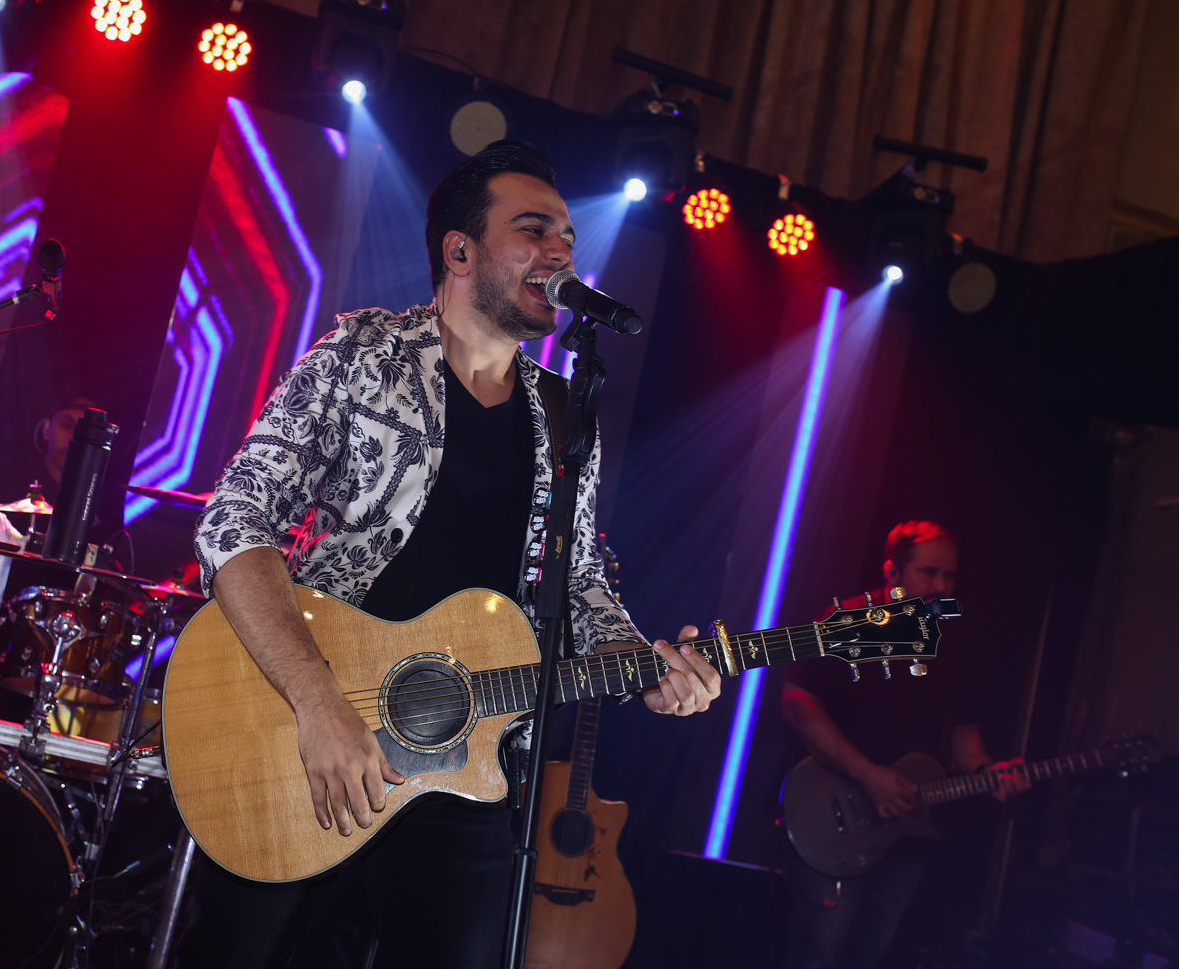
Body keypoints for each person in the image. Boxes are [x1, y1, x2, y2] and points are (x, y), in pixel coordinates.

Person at [180, 141, 722, 968]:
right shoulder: (363, 354)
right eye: (534, 230)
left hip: (469, 757)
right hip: (308, 737)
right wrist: (317, 703)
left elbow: (576, 579)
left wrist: (644, 664)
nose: (561, 252)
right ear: (459, 251)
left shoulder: (564, 413)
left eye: (568, 237)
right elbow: (234, 520)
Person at [780, 520, 1029, 969]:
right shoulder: (845, 622)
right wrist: (867, 775)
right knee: (820, 956)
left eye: (949, 576)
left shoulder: (952, 641)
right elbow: (798, 702)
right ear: (892, 572)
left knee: (868, 954)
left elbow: (962, 733)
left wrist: (985, 771)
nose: (940, 586)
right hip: (835, 818)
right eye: (928, 573)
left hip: (908, 833)